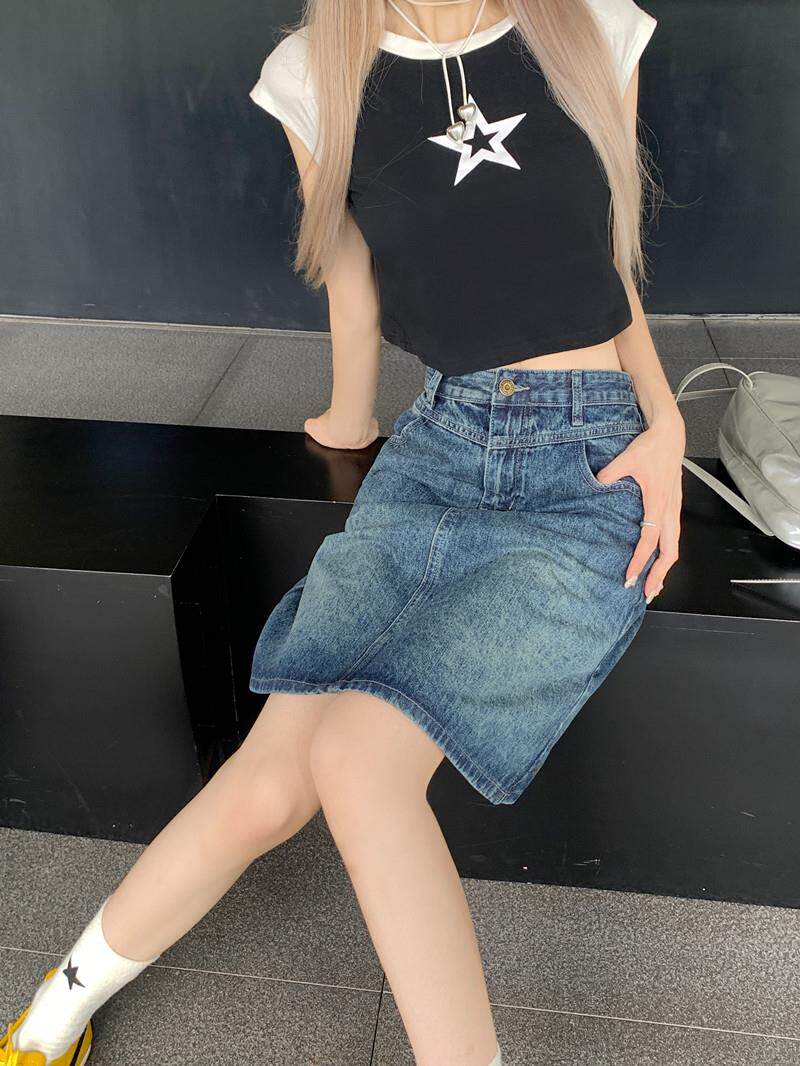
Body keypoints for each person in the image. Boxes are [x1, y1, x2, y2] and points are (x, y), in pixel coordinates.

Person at [1, 1, 684, 1063]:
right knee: (272, 780)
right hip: (441, 441)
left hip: (586, 458)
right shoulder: (312, 73)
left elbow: (610, 259)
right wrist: (349, 421)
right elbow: (352, 273)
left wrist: (665, 423)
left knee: (359, 765)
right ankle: (59, 1006)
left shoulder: (588, 22)